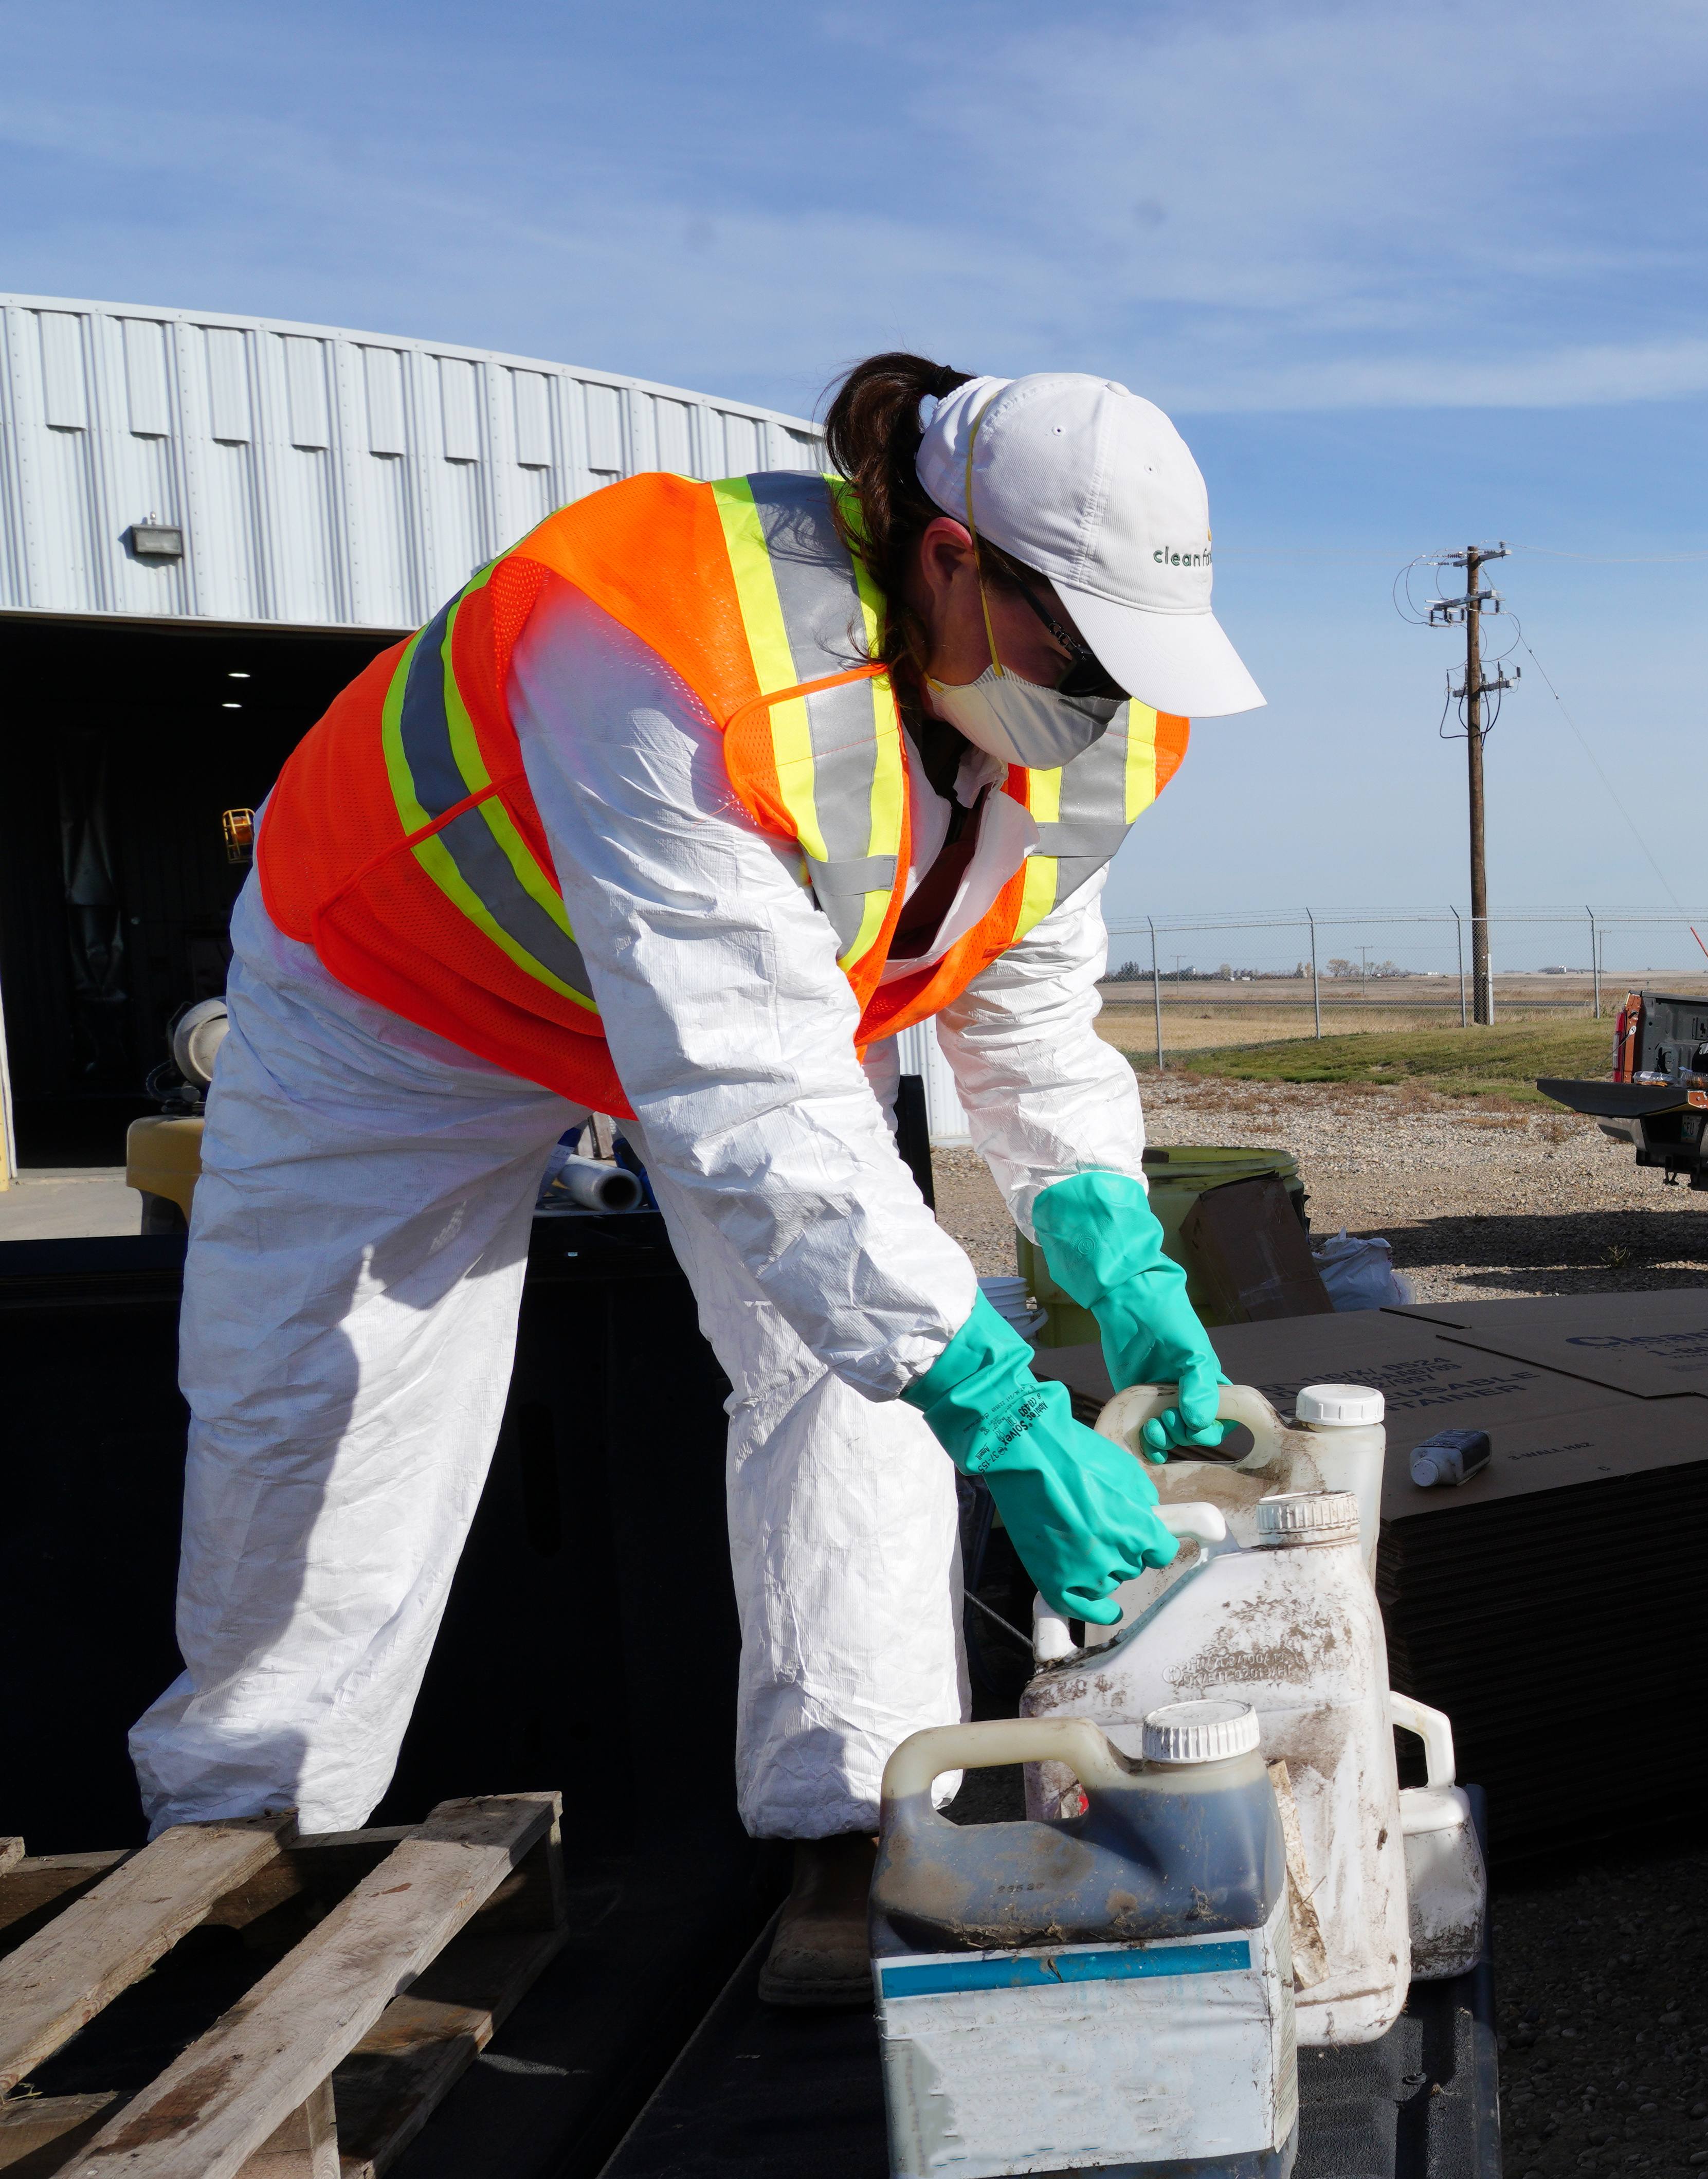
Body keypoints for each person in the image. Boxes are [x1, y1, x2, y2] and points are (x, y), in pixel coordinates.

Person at [129, 355, 1262, 2006]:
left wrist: (1105, 1229)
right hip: (410, 983)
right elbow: (745, 1095)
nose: (1094, 694)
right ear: (950, 555)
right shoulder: (668, 644)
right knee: (328, 1395)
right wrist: (1004, 1406)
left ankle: (860, 1819)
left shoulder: (1097, 706)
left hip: (766, 1001)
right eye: (1070, 643)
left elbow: (1017, 984)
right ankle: (242, 1837)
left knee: (850, 1360)